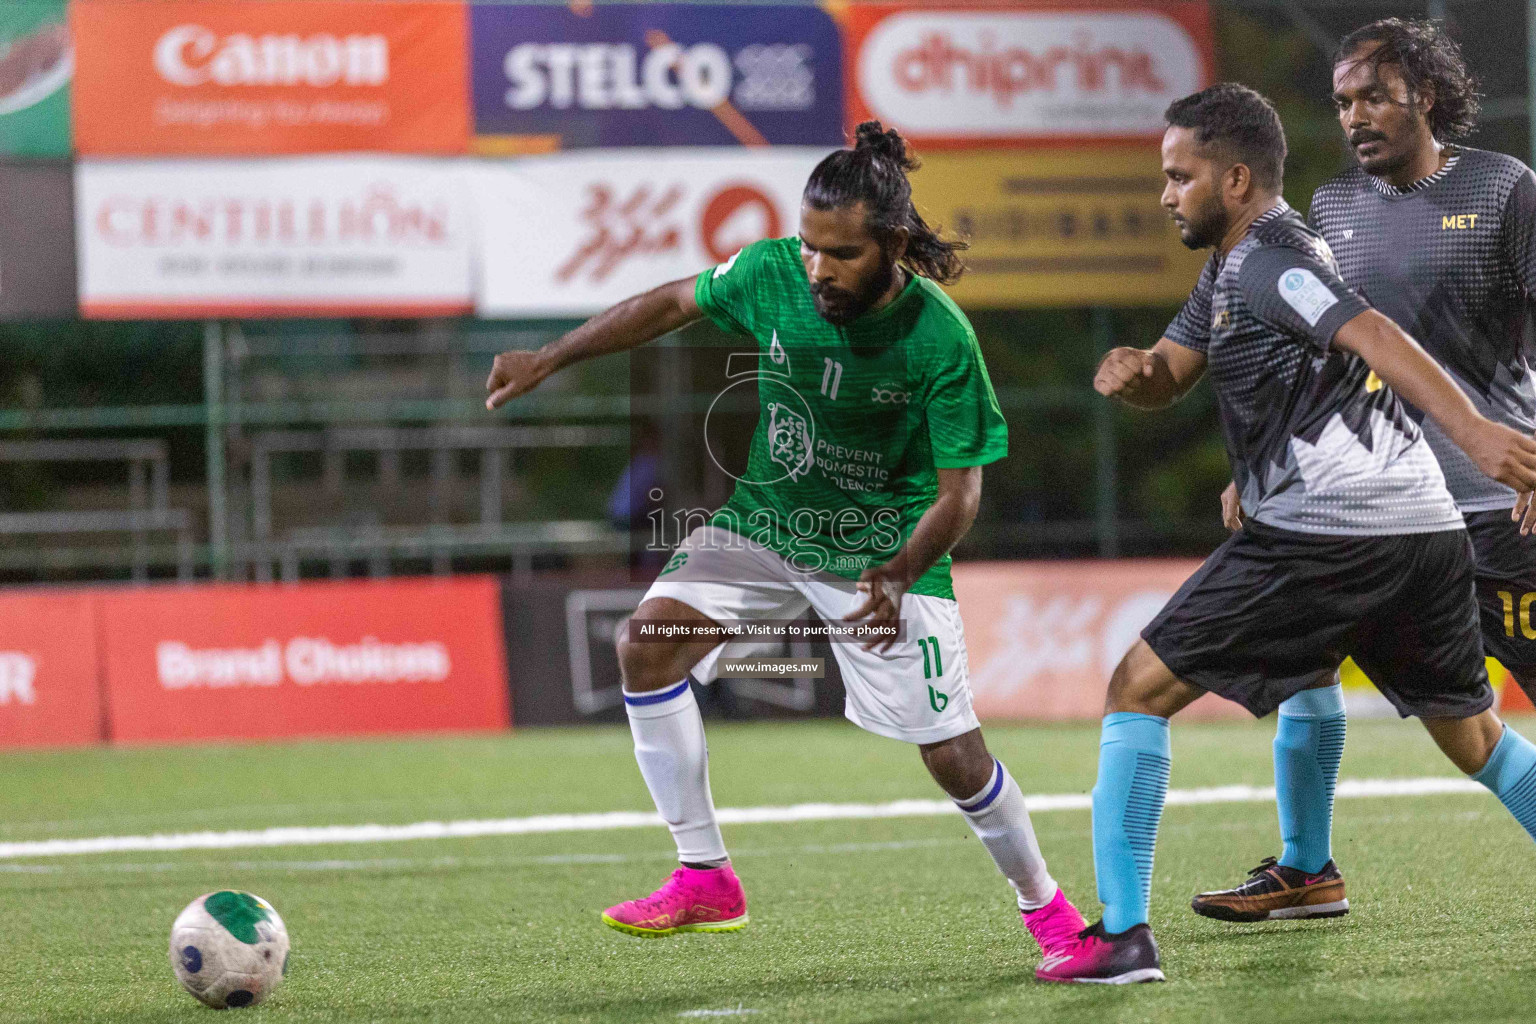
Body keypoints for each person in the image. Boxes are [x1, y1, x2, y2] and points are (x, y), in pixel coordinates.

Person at [484, 121, 1088, 965]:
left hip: (883, 549)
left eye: (839, 254)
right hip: (767, 521)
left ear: (893, 243)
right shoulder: (772, 272)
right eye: (808, 247)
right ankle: (705, 876)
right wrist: (551, 356)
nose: (816, 269)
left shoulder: (940, 339)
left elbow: (962, 493)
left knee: (952, 754)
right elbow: (667, 303)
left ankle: (1050, 914)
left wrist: (900, 572)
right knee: (645, 647)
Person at [1036, 83, 1536, 985]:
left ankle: (1122, 938)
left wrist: (1475, 431)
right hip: (1418, 526)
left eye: (1178, 176)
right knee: (1475, 739)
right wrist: (1141, 374)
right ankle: (1308, 872)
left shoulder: (1273, 260)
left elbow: (1372, 331)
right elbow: (1176, 371)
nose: (1164, 194)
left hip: (1333, 531)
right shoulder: (1229, 269)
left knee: (1135, 689)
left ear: (1233, 179)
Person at [1194, 18, 1536, 925]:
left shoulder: (1504, 190)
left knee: (1479, 729)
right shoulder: (1331, 210)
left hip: (1497, 502)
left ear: (1423, 92)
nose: (1354, 115)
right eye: (1342, 101)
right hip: (1366, 507)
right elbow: (1319, 354)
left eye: (1373, 95)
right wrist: (1267, 464)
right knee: (1306, 666)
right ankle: (1308, 868)